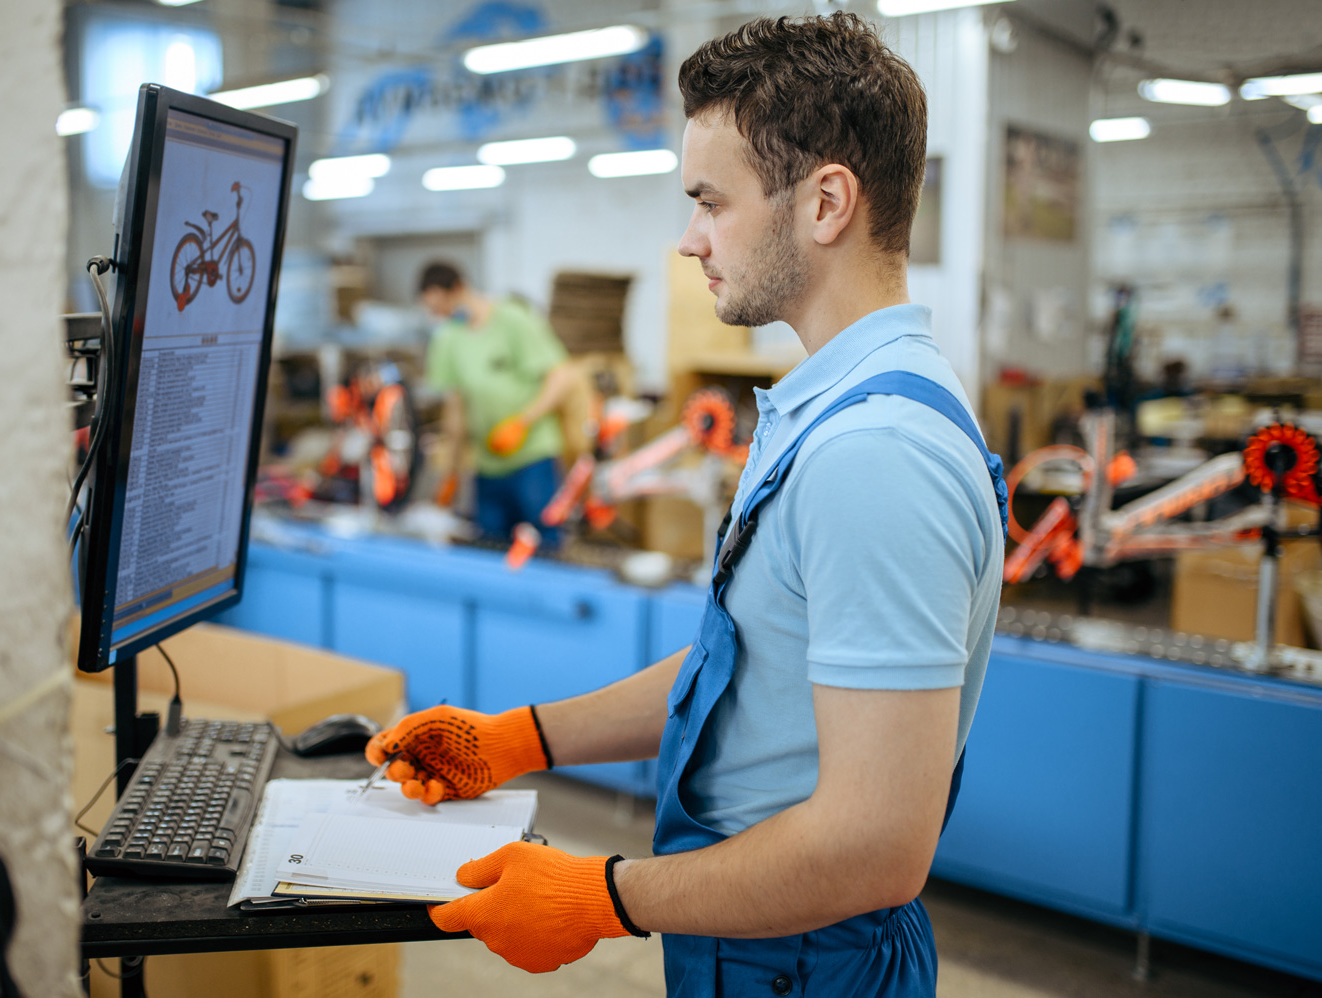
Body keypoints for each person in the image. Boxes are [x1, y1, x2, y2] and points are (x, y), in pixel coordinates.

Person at [370, 14, 1006, 996]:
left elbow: (875, 847)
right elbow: (749, 663)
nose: (688, 239)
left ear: (826, 202)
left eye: (711, 202)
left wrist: (604, 894)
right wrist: (517, 740)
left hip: (807, 959)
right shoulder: (830, 408)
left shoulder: (874, 454)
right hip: (759, 934)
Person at [419, 262, 578, 548]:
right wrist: (451, 474)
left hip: (532, 458)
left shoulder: (512, 320)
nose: (441, 315)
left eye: (442, 306)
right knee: (491, 546)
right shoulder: (449, 339)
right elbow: (455, 411)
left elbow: (561, 376)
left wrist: (522, 422)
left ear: (458, 288)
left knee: (544, 543)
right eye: (434, 311)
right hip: (487, 465)